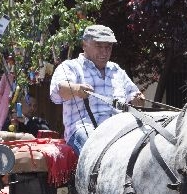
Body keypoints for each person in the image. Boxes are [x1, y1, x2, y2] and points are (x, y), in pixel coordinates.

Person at [49, 24, 145, 154]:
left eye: (108, 47)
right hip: (84, 129)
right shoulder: (70, 67)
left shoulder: (116, 70)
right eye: (99, 46)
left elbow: (133, 96)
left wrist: (137, 99)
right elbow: (57, 93)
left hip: (120, 127)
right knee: (96, 149)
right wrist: (76, 89)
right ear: (84, 45)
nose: (104, 52)